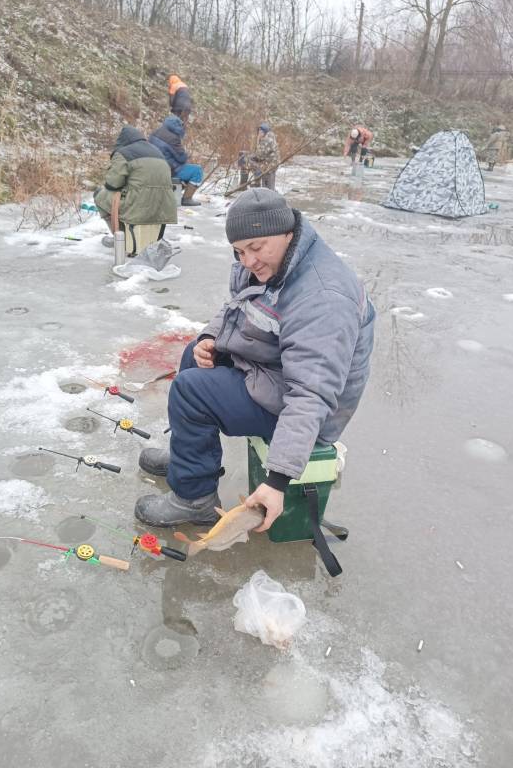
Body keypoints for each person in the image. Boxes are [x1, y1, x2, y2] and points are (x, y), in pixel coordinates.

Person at [134, 188, 376, 530]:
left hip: (308, 411)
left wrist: (277, 481)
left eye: (256, 248)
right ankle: (186, 456)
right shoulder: (273, 264)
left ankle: (195, 500)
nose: (247, 261)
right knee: (195, 354)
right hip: (275, 370)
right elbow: (236, 309)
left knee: (192, 391)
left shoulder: (323, 297)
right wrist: (209, 338)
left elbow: (311, 394)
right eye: (239, 251)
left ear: (287, 233)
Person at [94, 125, 177, 255]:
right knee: (130, 197)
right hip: (164, 207)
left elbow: (112, 184)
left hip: (139, 206)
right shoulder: (157, 151)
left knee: (99, 195)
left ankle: (120, 238)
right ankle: (145, 240)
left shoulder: (123, 152)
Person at [149, 114, 204, 207]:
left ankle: (174, 192)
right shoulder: (173, 138)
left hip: (152, 168)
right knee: (197, 170)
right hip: (168, 169)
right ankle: (187, 199)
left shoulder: (155, 133)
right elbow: (182, 158)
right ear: (177, 126)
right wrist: (186, 155)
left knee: (184, 169)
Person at [249, 123, 280, 190]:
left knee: (250, 161)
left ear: (265, 132)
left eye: (261, 131)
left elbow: (260, 155)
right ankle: (258, 182)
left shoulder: (266, 140)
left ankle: (257, 182)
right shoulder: (270, 137)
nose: (259, 133)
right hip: (272, 163)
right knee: (254, 162)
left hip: (269, 164)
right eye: (259, 131)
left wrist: (258, 140)